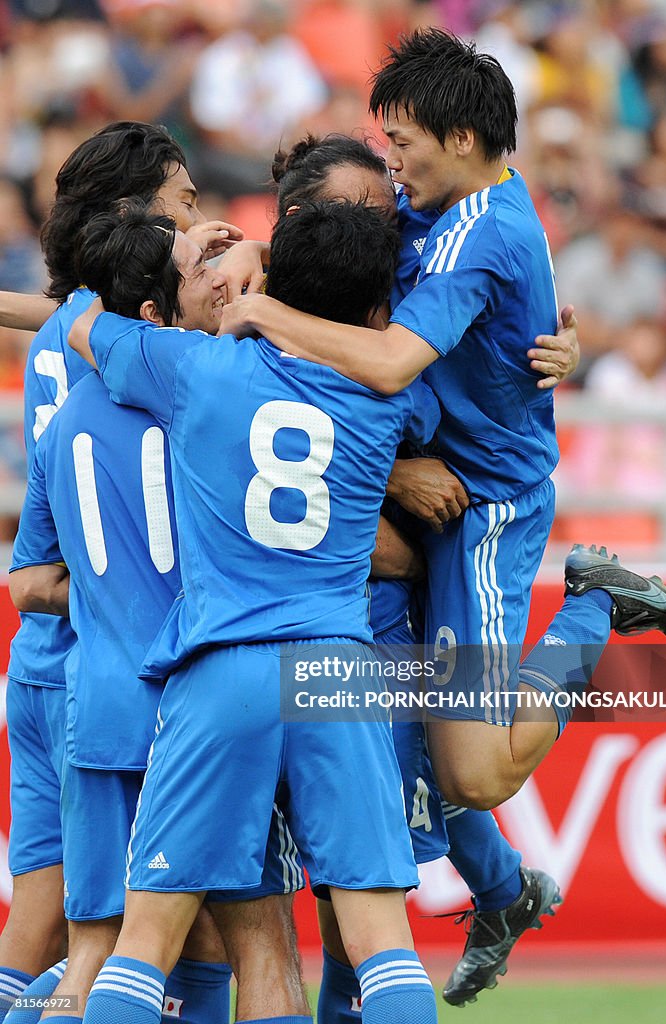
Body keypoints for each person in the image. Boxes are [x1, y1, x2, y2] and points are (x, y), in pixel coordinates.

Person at [219, 28, 666, 992]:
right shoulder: (428, 203)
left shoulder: (483, 232)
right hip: (414, 494)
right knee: (387, 746)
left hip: (481, 514)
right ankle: (503, 887)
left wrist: (260, 312)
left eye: (403, 143)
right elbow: (332, 273)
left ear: (465, 138)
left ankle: (594, 603)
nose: (391, 163)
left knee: (468, 771)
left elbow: (390, 364)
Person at [69, 198, 439, 1024]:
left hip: (222, 667)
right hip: (338, 668)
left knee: (146, 941)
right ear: (377, 310)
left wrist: (211, 262)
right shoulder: (387, 397)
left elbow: (84, 323)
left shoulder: (195, 369)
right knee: (382, 940)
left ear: (274, 282)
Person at [269, 132, 561, 1015]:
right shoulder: (244, 301)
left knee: (359, 882)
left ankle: (586, 619)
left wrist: (560, 353)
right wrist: (391, 475)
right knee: (327, 881)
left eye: (384, 204)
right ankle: (508, 890)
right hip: (292, 628)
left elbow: (396, 534)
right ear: (294, 222)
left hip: (376, 619)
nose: (385, 220)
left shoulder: (397, 320)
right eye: (357, 210)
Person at [8, 201, 307, 1024]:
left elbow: (30, 582)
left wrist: (109, 596)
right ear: (151, 315)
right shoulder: (198, 406)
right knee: (243, 943)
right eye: (191, 274)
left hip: (93, 704)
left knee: (96, 947)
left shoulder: (64, 423)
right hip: (190, 706)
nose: (212, 281)